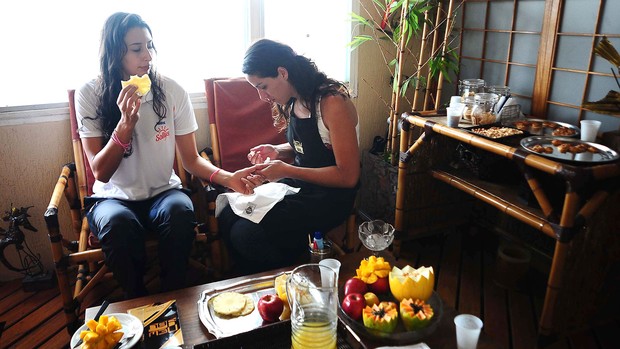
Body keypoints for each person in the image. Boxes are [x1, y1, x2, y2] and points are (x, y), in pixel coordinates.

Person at [76, 12, 263, 298]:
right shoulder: (91, 93)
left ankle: (172, 296)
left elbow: (190, 159)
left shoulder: (171, 90)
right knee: (117, 224)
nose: (148, 56)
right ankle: (136, 299)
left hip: (164, 192)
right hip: (112, 197)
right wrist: (124, 126)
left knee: (180, 212)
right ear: (115, 52)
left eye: (150, 46)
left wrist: (228, 178)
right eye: (137, 49)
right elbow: (100, 172)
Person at [219, 39, 360, 274]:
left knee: (246, 233)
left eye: (263, 86)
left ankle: (288, 282)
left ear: (282, 73)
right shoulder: (295, 100)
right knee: (228, 215)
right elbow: (311, 145)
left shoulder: (331, 103)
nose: (261, 96)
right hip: (302, 186)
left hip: (332, 196)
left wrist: (286, 170)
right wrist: (278, 150)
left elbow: (348, 176)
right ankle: (256, 284)